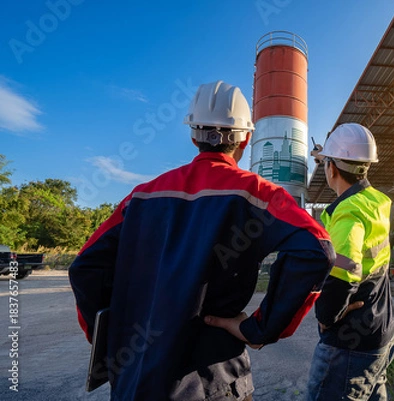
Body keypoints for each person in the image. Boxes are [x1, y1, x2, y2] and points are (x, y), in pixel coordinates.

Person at [69, 80, 334, 401]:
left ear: (193, 135)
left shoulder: (140, 196)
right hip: (212, 381)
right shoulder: (258, 193)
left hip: (134, 381)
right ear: (246, 139)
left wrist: (109, 338)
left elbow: (85, 267)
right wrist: (259, 329)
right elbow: (316, 248)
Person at [306, 123, 394, 401]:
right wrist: (324, 156)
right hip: (382, 331)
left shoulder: (347, 213)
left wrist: (326, 317)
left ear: (332, 170)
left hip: (349, 347)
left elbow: (345, 273)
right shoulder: (375, 202)